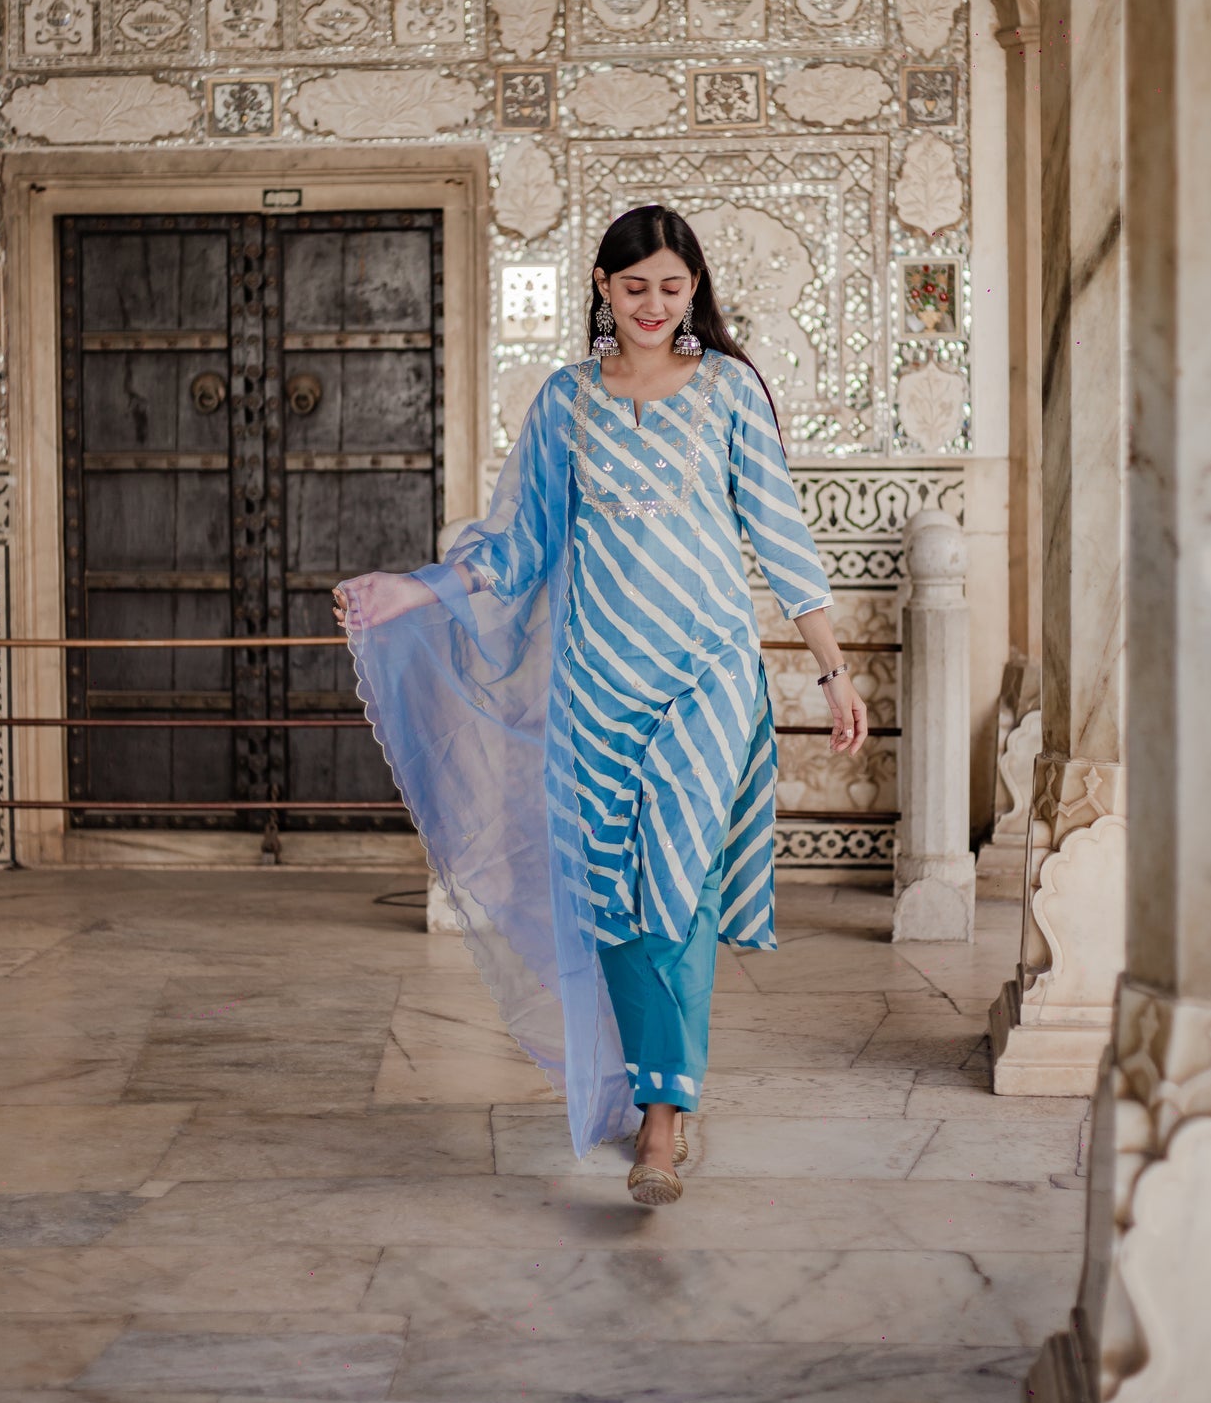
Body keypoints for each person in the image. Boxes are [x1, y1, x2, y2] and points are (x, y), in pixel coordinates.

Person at [333, 205, 868, 1206]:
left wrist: (833, 667)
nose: (655, 305)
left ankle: (662, 1128)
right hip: (596, 685)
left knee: (674, 875)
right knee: (618, 889)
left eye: (672, 286)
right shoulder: (567, 401)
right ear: (601, 285)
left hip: (708, 672)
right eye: (635, 288)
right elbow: (523, 544)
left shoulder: (729, 391)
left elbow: (780, 532)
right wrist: (415, 589)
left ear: (696, 287)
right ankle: (660, 1098)